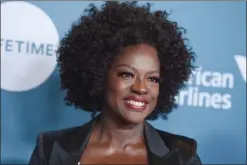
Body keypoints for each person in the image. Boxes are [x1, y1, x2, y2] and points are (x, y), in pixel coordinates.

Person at [29, 1, 202, 165]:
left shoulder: (183, 156)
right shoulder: (51, 148)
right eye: (127, 74)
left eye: (152, 79)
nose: (141, 88)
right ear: (98, 74)